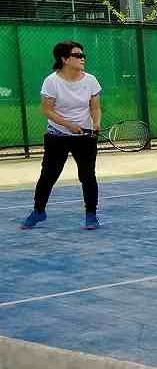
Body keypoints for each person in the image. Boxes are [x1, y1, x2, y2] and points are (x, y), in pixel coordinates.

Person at [20, 41, 102, 229]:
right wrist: (68, 125)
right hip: (57, 137)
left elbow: (95, 108)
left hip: (85, 138)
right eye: (78, 55)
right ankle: (38, 211)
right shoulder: (51, 82)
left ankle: (91, 215)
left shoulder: (91, 80)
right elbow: (47, 110)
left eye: (83, 55)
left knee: (88, 176)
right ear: (65, 59)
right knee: (48, 175)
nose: (83, 58)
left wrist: (96, 123)